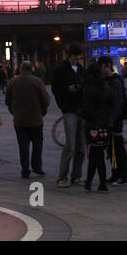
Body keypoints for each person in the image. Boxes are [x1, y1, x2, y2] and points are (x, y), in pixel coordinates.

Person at [4, 61, 50, 178]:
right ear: (31, 69)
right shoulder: (38, 82)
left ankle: (25, 169)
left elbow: (7, 99)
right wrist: (42, 111)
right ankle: (37, 166)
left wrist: (13, 111)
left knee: (23, 146)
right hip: (36, 119)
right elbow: (45, 99)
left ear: (20, 69)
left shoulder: (12, 82)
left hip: (19, 120)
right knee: (37, 144)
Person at [51, 43, 87, 187]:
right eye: (77, 55)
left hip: (81, 110)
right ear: (70, 55)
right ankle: (62, 177)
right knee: (70, 145)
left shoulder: (81, 70)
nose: (79, 57)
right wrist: (65, 98)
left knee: (81, 146)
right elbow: (56, 89)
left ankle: (77, 175)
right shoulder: (61, 69)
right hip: (69, 110)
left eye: (80, 55)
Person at [78, 63, 116, 193]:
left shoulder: (90, 89)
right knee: (96, 154)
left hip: (92, 125)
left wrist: (80, 112)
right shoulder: (106, 87)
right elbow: (111, 104)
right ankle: (90, 183)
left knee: (96, 156)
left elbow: (87, 110)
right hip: (104, 125)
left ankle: (101, 183)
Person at [101, 59, 127, 184]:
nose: (101, 70)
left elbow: (118, 102)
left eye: (102, 67)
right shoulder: (109, 80)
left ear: (108, 66)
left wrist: (113, 117)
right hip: (111, 117)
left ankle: (122, 175)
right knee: (112, 147)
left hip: (115, 119)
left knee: (117, 147)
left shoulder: (115, 81)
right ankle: (115, 173)